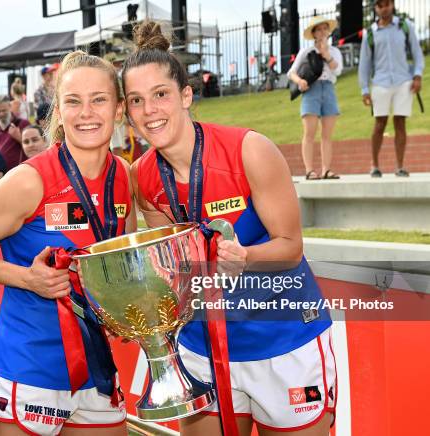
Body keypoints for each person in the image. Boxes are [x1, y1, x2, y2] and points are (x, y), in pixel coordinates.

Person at [125, 21, 335, 435]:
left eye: (161, 94)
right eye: (136, 100)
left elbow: (291, 247)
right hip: (203, 344)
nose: (149, 111)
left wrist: (247, 256)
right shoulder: (143, 176)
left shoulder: (249, 150)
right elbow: (175, 269)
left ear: (186, 95)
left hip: (282, 338)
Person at [0, 50, 135, 436]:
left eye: (99, 99)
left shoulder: (124, 176)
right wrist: (27, 278)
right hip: (28, 366)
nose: (86, 113)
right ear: (59, 113)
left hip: (96, 367)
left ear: (118, 110)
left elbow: (120, 258)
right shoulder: (29, 179)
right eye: (73, 101)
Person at [359, 0, 425, 178]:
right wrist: (364, 89)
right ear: (376, 8)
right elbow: (364, 63)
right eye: (380, 5)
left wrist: (417, 75)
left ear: (392, 5)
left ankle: (400, 166)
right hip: (380, 83)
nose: (384, 8)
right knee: (379, 124)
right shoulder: (370, 33)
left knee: (400, 123)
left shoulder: (405, 26)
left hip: (403, 80)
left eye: (387, 4)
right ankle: (374, 165)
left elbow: (417, 53)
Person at [288, 16, 343, 180]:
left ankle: (326, 169)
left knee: (327, 134)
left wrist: (326, 54)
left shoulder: (334, 52)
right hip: (311, 90)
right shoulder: (306, 52)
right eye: (318, 29)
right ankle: (310, 169)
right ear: (313, 33)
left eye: (325, 28)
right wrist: (300, 81)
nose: (322, 32)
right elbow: (291, 72)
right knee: (309, 132)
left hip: (328, 88)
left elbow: (337, 70)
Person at [0, 95, 30, 172]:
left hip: (18, 174)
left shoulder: (22, 124)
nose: (1, 114)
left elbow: (36, 149)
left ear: (9, 106)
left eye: (4, 110)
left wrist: (19, 138)